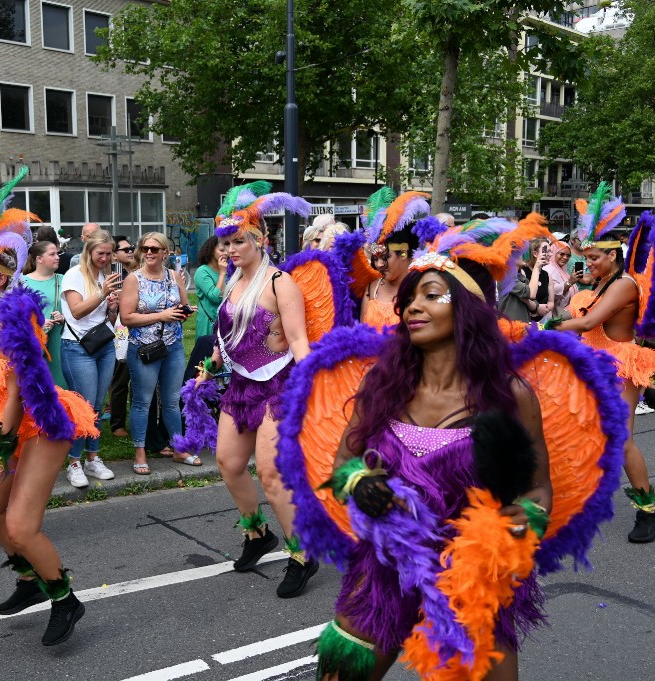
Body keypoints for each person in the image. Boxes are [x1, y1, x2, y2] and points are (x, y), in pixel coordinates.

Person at [312, 220, 553, 681]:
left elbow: (538, 487)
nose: (413, 308)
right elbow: (344, 462)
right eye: (410, 299)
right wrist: (363, 486)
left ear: (467, 310)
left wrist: (523, 523)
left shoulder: (509, 395)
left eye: (432, 296)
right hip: (385, 566)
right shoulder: (383, 384)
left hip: (472, 582)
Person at [0, 169, 98, 646]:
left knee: (22, 527)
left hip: (39, 422)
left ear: (1, 276)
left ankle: (65, 598)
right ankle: (29, 581)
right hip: (5, 422)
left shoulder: (14, 315)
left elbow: (18, 392)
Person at [197, 182, 318, 598]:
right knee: (229, 463)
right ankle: (257, 534)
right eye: (225, 242)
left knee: (269, 472)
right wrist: (210, 366)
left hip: (278, 384)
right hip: (241, 384)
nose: (229, 249)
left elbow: (299, 340)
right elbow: (225, 333)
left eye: (237, 241)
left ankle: (302, 552)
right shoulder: (231, 283)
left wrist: (310, 389)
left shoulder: (280, 283)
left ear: (260, 239)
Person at [550, 189, 655, 543]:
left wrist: (543, 327)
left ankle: (649, 514)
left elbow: (588, 324)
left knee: (621, 440)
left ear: (613, 255)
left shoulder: (623, 285)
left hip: (619, 366)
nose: (588, 265)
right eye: (586, 258)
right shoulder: (602, 282)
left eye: (594, 258)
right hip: (591, 365)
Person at [120, 232, 194, 474]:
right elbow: (126, 317)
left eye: (154, 249)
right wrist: (161, 316)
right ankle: (139, 452)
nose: (149, 253)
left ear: (165, 253)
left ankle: (179, 449)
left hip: (172, 346)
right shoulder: (134, 279)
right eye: (145, 248)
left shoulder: (174, 277)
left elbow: (182, 305)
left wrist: (185, 311)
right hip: (144, 348)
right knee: (143, 401)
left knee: (172, 400)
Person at [60, 229, 120, 488]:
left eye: (108, 254)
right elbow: (77, 311)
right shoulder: (75, 275)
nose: (105, 258)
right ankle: (73, 462)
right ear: (89, 251)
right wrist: (103, 294)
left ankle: (92, 458)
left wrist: (113, 309)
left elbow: (106, 320)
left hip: (103, 345)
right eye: (100, 253)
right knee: (82, 408)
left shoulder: (103, 276)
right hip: (77, 347)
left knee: (96, 405)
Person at [22, 241, 66, 388]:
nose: (57, 257)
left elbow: (75, 310)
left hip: (59, 342)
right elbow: (15, 316)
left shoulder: (64, 280)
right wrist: (36, 323)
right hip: (35, 343)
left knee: (62, 389)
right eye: (52, 254)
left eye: (57, 254)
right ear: (39, 259)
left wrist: (64, 317)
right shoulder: (23, 282)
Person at [107, 235, 136, 438]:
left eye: (131, 248)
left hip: (140, 326)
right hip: (120, 330)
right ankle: (117, 423)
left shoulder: (135, 272)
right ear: (115, 255)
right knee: (121, 377)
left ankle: (137, 420)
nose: (130, 251)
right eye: (125, 250)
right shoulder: (113, 276)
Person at [361, 231, 414, 329]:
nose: (379, 264)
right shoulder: (371, 289)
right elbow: (360, 334)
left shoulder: (418, 287)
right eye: (376, 259)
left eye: (385, 257)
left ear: (403, 253)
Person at [194, 235, 228, 339]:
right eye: (221, 250)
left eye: (227, 250)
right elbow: (215, 298)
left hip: (225, 322)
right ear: (211, 251)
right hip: (209, 323)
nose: (226, 253)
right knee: (208, 354)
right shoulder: (202, 271)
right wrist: (222, 273)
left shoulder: (229, 269)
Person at [543, 240, 579, 320]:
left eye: (568, 255)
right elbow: (552, 293)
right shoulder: (547, 270)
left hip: (564, 316)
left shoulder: (563, 270)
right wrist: (570, 282)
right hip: (552, 317)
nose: (565, 257)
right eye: (561, 254)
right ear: (553, 253)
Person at [523, 238, 554, 322]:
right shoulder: (522, 272)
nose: (550, 254)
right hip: (525, 320)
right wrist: (537, 308)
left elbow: (551, 302)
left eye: (551, 251)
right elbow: (524, 297)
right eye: (546, 251)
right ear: (535, 254)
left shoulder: (547, 275)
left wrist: (544, 309)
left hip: (542, 320)